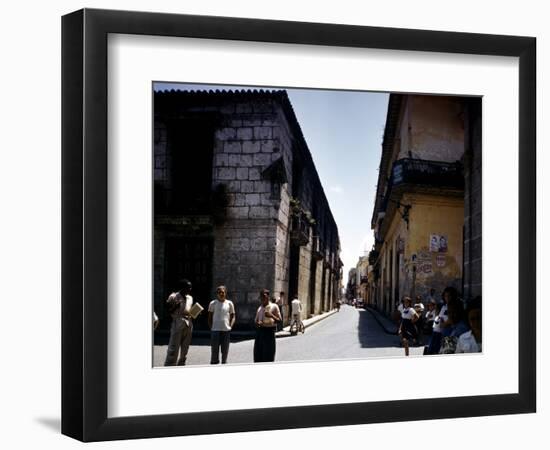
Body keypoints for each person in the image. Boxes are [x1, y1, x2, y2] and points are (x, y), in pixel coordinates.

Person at [164, 279, 194, 366]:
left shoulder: (190, 298)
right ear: (182, 287)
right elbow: (168, 311)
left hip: (188, 323)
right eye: (188, 287)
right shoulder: (173, 297)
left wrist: (195, 313)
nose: (190, 289)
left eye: (190, 287)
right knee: (174, 347)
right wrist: (175, 307)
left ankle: (181, 363)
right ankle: (170, 364)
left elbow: (189, 310)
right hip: (177, 322)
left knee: (185, 347)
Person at [208, 285, 236, 364]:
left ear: (225, 293)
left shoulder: (229, 303)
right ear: (217, 294)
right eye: (219, 292)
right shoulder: (212, 303)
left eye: (223, 292)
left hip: (226, 330)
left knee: (225, 353)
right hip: (215, 331)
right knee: (214, 353)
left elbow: (233, 316)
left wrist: (230, 326)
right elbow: (209, 317)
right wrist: (211, 328)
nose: (221, 294)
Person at [253, 289, 281, 363]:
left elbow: (279, 320)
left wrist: (271, 315)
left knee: (268, 357)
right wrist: (257, 323)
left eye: (264, 296)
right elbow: (255, 321)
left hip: (269, 333)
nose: (262, 298)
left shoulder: (274, 306)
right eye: (261, 296)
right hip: (259, 334)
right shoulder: (260, 308)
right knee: (258, 357)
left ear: (268, 296)